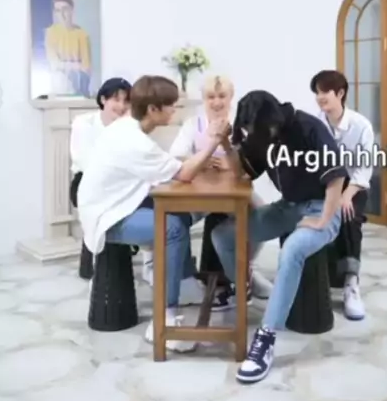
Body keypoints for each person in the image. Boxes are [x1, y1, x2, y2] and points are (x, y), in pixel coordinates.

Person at [77, 75, 230, 351]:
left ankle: (182, 283)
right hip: (108, 217)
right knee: (173, 229)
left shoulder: (129, 128)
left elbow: (167, 167)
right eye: (170, 105)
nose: (174, 110)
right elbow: (184, 173)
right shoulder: (134, 140)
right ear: (153, 109)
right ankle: (164, 320)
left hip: (118, 203)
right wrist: (215, 142)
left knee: (181, 214)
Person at [211, 90, 348, 384]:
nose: (253, 136)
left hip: (322, 208)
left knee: (292, 250)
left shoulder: (308, 127)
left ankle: (266, 338)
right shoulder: (260, 134)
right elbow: (240, 172)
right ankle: (242, 286)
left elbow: (336, 176)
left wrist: (324, 219)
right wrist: (224, 142)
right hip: (287, 208)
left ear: (272, 121)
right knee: (222, 236)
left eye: (254, 130)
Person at [169, 74, 272, 309]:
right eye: (211, 97)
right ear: (203, 99)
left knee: (261, 215)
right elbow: (176, 156)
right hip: (198, 195)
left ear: (231, 97)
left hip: (235, 194)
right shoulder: (193, 124)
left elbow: (251, 161)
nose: (216, 102)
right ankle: (185, 281)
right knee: (175, 220)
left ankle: (245, 270)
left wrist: (230, 162)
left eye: (222, 96)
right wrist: (202, 160)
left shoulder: (241, 124)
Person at [311, 69, 374, 321]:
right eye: (317, 92)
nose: (320, 97)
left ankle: (351, 282)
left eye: (325, 91)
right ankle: (320, 278)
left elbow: (364, 168)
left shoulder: (361, 125)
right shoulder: (314, 123)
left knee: (348, 215)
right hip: (324, 181)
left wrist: (346, 195)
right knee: (315, 214)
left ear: (340, 93)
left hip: (352, 183)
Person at [69, 77, 132, 206]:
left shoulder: (130, 126)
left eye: (126, 101)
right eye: (116, 100)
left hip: (121, 181)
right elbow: (84, 160)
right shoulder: (84, 123)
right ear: (103, 100)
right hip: (87, 181)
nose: (121, 106)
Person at [45, 0, 92, 96]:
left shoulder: (82, 34)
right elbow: (54, 63)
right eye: (58, 10)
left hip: (79, 84)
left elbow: (86, 67)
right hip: (59, 85)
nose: (62, 14)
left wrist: (64, 65)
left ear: (72, 10)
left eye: (65, 9)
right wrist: (75, 65)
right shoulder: (51, 32)